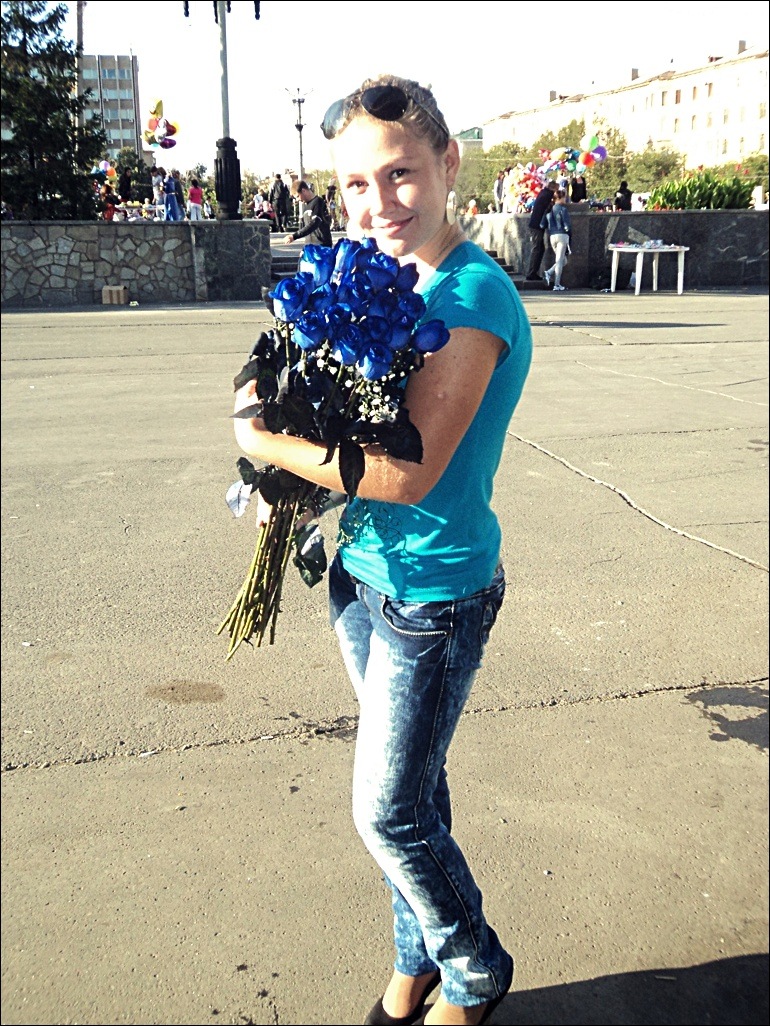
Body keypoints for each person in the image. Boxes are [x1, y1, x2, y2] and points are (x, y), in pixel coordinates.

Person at [233, 72, 532, 1026]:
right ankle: (418, 961)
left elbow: (403, 475)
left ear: (448, 164)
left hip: (432, 597)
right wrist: (292, 467)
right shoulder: (384, 278)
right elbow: (351, 432)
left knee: (389, 814)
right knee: (416, 797)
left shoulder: (471, 295)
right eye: (356, 184)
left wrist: (262, 442)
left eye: (400, 173)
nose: (379, 202)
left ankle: (473, 970)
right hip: (361, 580)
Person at [283, 181, 332, 248]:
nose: (297, 200)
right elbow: (307, 229)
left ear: (303, 191)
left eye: (298, 196)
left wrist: (294, 236)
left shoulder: (318, 202)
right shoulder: (305, 206)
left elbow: (315, 222)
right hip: (310, 247)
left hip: (321, 246)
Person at [525, 179, 557, 280]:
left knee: (539, 248)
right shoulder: (548, 195)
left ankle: (533, 272)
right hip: (537, 226)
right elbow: (548, 209)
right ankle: (531, 273)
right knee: (537, 248)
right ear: (553, 188)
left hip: (535, 224)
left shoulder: (543, 192)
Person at [543, 188, 572, 290]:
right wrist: (569, 233)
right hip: (562, 236)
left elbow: (542, 224)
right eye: (564, 197)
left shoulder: (549, 210)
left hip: (552, 236)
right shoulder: (563, 210)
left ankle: (549, 272)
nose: (565, 199)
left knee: (563, 260)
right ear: (559, 198)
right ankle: (556, 284)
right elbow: (567, 226)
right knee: (560, 261)